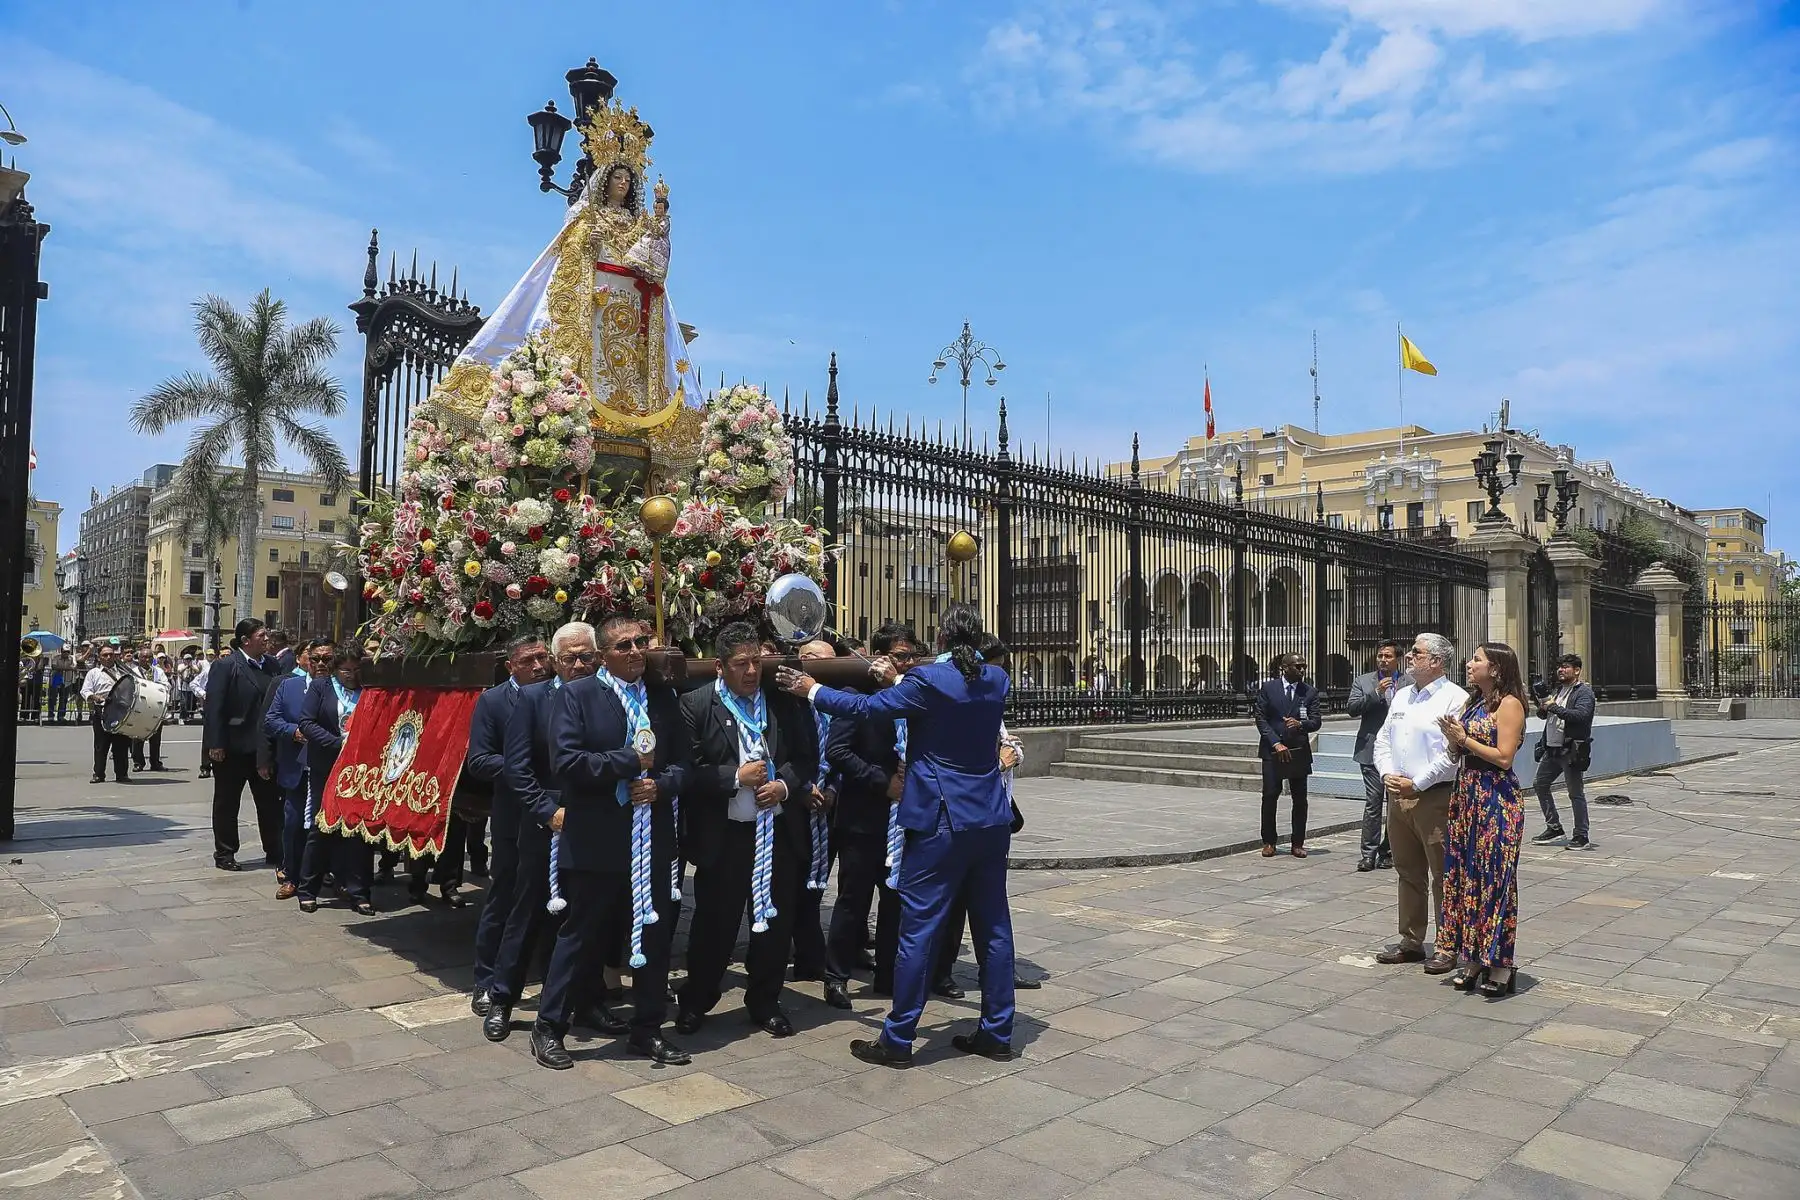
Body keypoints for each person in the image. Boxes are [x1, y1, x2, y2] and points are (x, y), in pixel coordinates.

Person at [780, 604, 1016, 1068]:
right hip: (990, 818)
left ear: (942, 639)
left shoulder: (927, 683)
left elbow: (865, 707)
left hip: (941, 819)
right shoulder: (995, 678)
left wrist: (812, 690)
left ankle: (898, 1037)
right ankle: (997, 1031)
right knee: (994, 929)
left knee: (919, 931)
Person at [528, 615, 691, 1068]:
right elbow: (567, 762)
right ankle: (550, 1026)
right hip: (598, 836)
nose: (636, 651)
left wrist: (662, 785)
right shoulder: (577, 695)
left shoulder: (661, 697)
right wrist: (628, 762)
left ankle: (647, 1029)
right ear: (602, 656)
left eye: (640, 642)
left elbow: (683, 763)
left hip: (651, 836)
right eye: (623, 646)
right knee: (581, 936)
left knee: (655, 933)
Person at [485, 622, 623, 1043]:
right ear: (556, 662)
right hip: (547, 823)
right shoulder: (531, 699)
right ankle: (502, 998)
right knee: (527, 912)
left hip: (595, 824)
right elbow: (517, 768)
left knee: (589, 916)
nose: (579, 665)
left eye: (587, 656)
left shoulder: (608, 695)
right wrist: (548, 811)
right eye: (570, 658)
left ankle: (588, 999)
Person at [676, 622, 812, 1040]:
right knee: (715, 924)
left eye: (756, 661)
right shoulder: (696, 705)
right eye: (741, 664)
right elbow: (685, 772)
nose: (751, 671)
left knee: (774, 922)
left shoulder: (782, 703)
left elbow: (807, 756)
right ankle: (696, 1001)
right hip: (727, 836)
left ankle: (765, 1001)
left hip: (776, 835)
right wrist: (735, 777)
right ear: (720, 666)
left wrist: (784, 785)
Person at [821, 622, 920, 1009]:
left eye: (911, 656)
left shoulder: (913, 697)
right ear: (880, 658)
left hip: (905, 818)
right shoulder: (855, 697)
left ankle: (889, 973)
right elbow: (838, 752)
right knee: (853, 900)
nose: (907, 664)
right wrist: (883, 782)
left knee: (896, 898)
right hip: (864, 816)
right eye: (899, 656)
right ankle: (836, 975)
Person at [934, 632, 1033, 996]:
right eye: (998, 669)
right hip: (964, 819)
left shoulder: (990, 704)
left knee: (989, 909)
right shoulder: (961, 701)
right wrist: (1000, 761)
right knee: (953, 904)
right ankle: (941, 972)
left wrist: (1010, 755)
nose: (1001, 679)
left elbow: (1009, 748)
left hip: (994, 817)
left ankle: (996, 973)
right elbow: (963, 765)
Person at [1372, 632, 1469, 972]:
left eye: (1417, 652)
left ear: (1437, 661)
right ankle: (1411, 939)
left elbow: (1452, 754)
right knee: (1408, 871)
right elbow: (1384, 739)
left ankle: (1447, 944)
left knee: (1443, 874)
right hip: (1397, 795)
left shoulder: (1454, 699)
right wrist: (1387, 773)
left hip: (1434, 797)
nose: (1409, 656)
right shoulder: (1401, 696)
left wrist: (1418, 783)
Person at [1437, 642, 1528, 998]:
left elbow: (1504, 757)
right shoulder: (1472, 703)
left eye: (1477, 660)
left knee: (1495, 879)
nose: (1469, 664)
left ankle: (1502, 963)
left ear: (1496, 669)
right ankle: (1473, 956)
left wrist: (1465, 740)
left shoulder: (1510, 705)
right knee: (1466, 878)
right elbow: (1458, 749)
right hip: (1467, 795)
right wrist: (1453, 741)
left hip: (1496, 797)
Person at [470, 635, 552, 1018]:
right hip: (512, 815)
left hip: (553, 814)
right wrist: (520, 768)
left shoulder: (561, 694)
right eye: (528, 661)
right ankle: (486, 980)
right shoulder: (494, 701)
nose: (538, 666)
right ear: (510, 666)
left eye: (542, 658)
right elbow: (479, 760)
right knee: (505, 895)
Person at [294, 643, 375, 914]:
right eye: (345, 671)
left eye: (355, 670)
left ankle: (359, 890)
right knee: (323, 826)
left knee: (358, 830)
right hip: (327, 765)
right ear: (334, 669)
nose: (350, 675)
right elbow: (306, 722)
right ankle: (308, 889)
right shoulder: (321, 687)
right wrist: (336, 743)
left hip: (360, 769)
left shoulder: (368, 690)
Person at [202, 618, 281, 872]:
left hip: (263, 748)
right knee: (227, 803)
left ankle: (275, 849)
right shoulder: (226, 665)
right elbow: (214, 707)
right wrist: (215, 743)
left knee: (269, 802)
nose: (267, 639)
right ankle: (225, 852)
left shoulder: (272, 665)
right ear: (246, 641)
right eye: (261, 635)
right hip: (233, 748)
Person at [784, 637, 838, 996]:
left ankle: (810, 953)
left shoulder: (837, 702)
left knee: (817, 882)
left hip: (829, 804)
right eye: (823, 663)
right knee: (794, 881)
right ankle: (807, 952)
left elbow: (845, 748)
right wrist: (803, 789)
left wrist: (834, 789)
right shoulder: (786, 704)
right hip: (794, 806)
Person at [264, 637, 334, 900]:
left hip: (328, 768)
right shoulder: (289, 687)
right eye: (314, 659)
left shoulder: (339, 689)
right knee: (293, 823)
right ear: (305, 660)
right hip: (297, 768)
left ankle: (326, 873)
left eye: (326, 659)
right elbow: (271, 721)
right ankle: (291, 876)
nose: (319, 664)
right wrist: (295, 732)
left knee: (326, 825)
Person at [1253, 654, 1322, 859]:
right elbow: (1261, 718)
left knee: (1299, 799)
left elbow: (1316, 721)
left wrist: (1301, 724)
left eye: (1304, 666)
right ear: (1284, 667)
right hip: (1273, 750)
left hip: (1298, 751)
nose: (1302, 670)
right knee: (1270, 796)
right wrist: (1275, 742)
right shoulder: (1269, 689)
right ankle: (1269, 841)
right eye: (1297, 666)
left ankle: (1298, 842)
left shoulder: (1309, 692)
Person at [1348, 640, 1402, 871]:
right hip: (1370, 750)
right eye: (1380, 655)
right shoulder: (1363, 681)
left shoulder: (1409, 683)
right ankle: (1368, 854)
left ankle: (1388, 850)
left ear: (1397, 659)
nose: (1383, 659)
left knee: (1395, 805)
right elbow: (1352, 708)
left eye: (1388, 656)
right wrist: (1377, 693)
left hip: (1399, 753)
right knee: (1373, 802)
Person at [1533, 653, 1596, 851]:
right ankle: (1554, 827)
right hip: (1551, 749)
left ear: (1576, 670)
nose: (1561, 670)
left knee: (1575, 793)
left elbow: (1581, 715)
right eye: (1559, 666)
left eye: (1566, 667)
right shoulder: (1558, 690)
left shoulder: (1584, 692)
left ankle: (1581, 835)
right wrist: (1543, 708)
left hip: (1571, 750)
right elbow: (1546, 715)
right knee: (1540, 784)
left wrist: (1555, 707)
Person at [80, 643, 132, 784]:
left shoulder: (123, 672)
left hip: (121, 712)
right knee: (101, 745)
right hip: (102, 711)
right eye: (105, 655)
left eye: (111, 654)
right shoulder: (94, 673)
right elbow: (85, 691)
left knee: (121, 745)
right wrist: (95, 697)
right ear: (99, 657)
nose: (108, 657)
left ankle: (122, 774)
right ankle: (98, 774)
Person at [128, 645, 169, 773]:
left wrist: (155, 687)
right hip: (139, 707)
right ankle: (138, 762)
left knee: (155, 738)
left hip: (155, 707)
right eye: (144, 657)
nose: (147, 659)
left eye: (149, 657)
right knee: (137, 736)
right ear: (139, 658)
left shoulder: (158, 671)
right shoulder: (133, 671)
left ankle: (155, 762)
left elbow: (167, 685)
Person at [192, 649, 215, 777]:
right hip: (211, 706)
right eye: (223, 655)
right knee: (208, 737)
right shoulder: (208, 671)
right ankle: (205, 767)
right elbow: (194, 684)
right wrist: (203, 694)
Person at [49, 646, 74, 725]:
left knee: (64, 699)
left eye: (68, 652)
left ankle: (61, 716)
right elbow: (54, 666)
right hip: (56, 680)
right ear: (61, 651)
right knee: (53, 698)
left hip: (66, 681)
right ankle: (51, 716)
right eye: (64, 652)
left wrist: (63, 668)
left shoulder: (71, 659)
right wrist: (67, 668)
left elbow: (74, 667)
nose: (66, 653)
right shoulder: (56, 658)